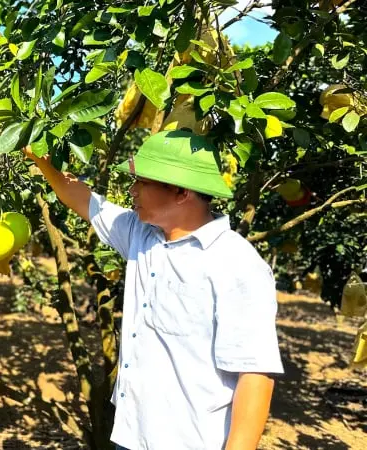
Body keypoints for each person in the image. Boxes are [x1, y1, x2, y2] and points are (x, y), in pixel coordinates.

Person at [24, 130, 284, 450]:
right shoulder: (141, 235)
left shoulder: (236, 264)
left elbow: (255, 375)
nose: (131, 190)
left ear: (180, 191)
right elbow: (83, 199)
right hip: (132, 434)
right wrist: (44, 164)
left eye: (142, 182)